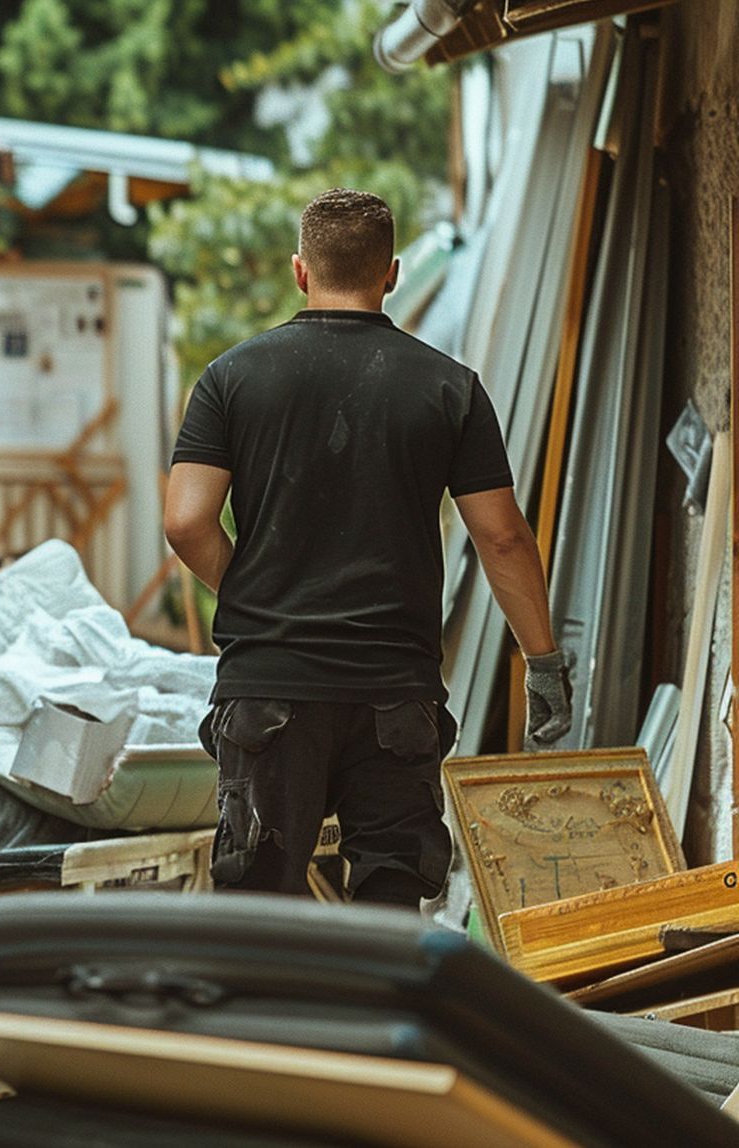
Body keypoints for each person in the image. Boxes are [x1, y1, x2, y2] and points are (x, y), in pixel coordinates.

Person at [164, 188, 570, 906]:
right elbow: (503, 537)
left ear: (300, 271)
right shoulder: (451, 389)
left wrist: (254, 591)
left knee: (260, 907)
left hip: (272, 688)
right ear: (392, 273)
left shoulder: (231, 378)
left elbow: (186, 522)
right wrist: (543, 661)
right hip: (395, 695)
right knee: (389, 902)